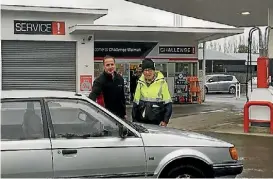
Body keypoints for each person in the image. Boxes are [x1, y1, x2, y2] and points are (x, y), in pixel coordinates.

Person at [132, 59, 172, 126]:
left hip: (157, 122)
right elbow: (135, 104)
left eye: (150, 70)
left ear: (154, 71)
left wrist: (165, 121)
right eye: (145, 70)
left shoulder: (162, 83)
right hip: (142, 121)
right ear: (143, 72)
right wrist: (134, 120)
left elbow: (168, 104)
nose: (147, 73)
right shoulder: (140, 83)